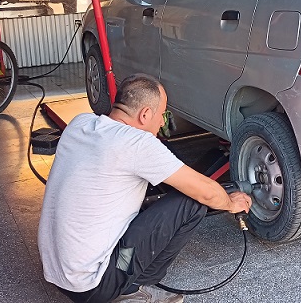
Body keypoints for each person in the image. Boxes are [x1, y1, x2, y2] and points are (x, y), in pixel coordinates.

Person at [39, 74, 252, 303]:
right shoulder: (136, 143)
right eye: (162, 115)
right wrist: (230, 202)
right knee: (191, 202)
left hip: (56, 273)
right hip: (95, 285)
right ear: (145, 115)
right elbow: (206, 192)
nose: (161, 123)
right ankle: (133, 289)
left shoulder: (80, 123)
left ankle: (126, 281)